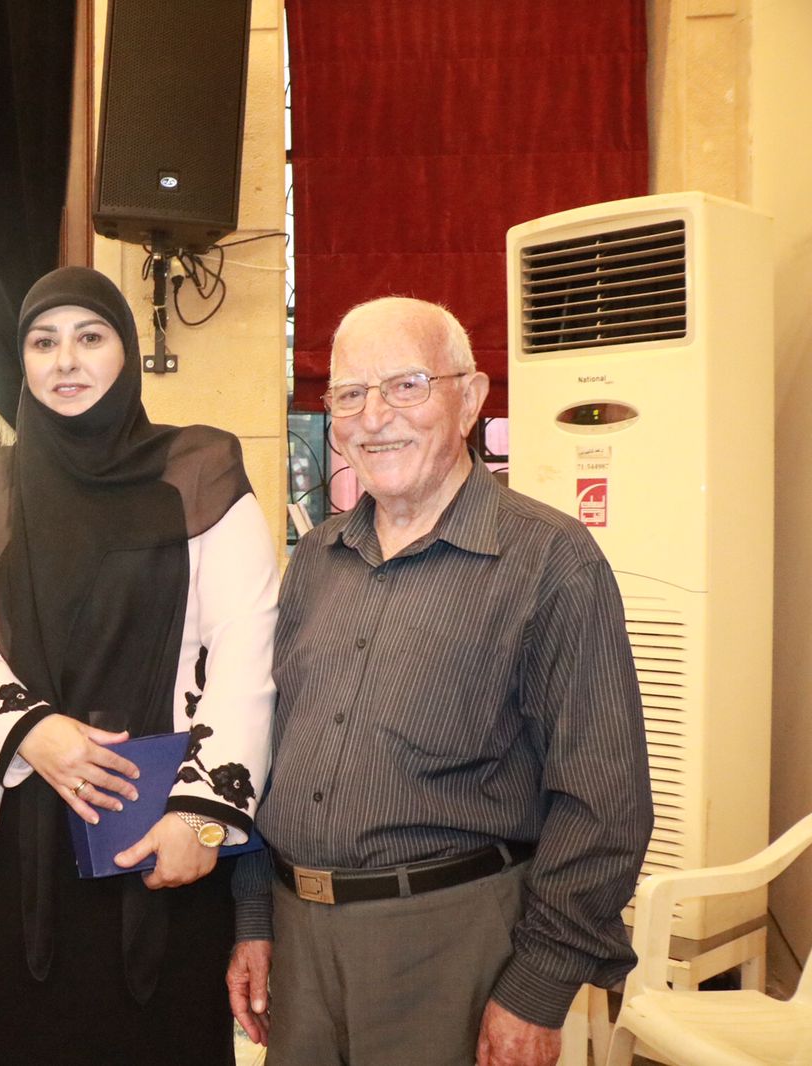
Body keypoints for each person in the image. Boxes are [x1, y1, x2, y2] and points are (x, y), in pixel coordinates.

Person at [225, 297, 652, 1066]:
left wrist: (538, 988)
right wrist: (256, 917)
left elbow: (603, 803)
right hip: (299, 947)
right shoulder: (315, 561)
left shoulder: (551, 562)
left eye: (407, 385)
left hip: (452, 949)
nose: (374, 417)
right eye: (350, 394)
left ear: (472, 399)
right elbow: (266, 754)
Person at [0, 266, 281, 1065]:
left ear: (128, 352)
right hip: (15, 835)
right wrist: (33, 732)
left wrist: (201, 817)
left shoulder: (200, 471)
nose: (66, 361)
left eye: (90, 337)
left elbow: (247, 651)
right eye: (43, 343)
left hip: (162, 832)